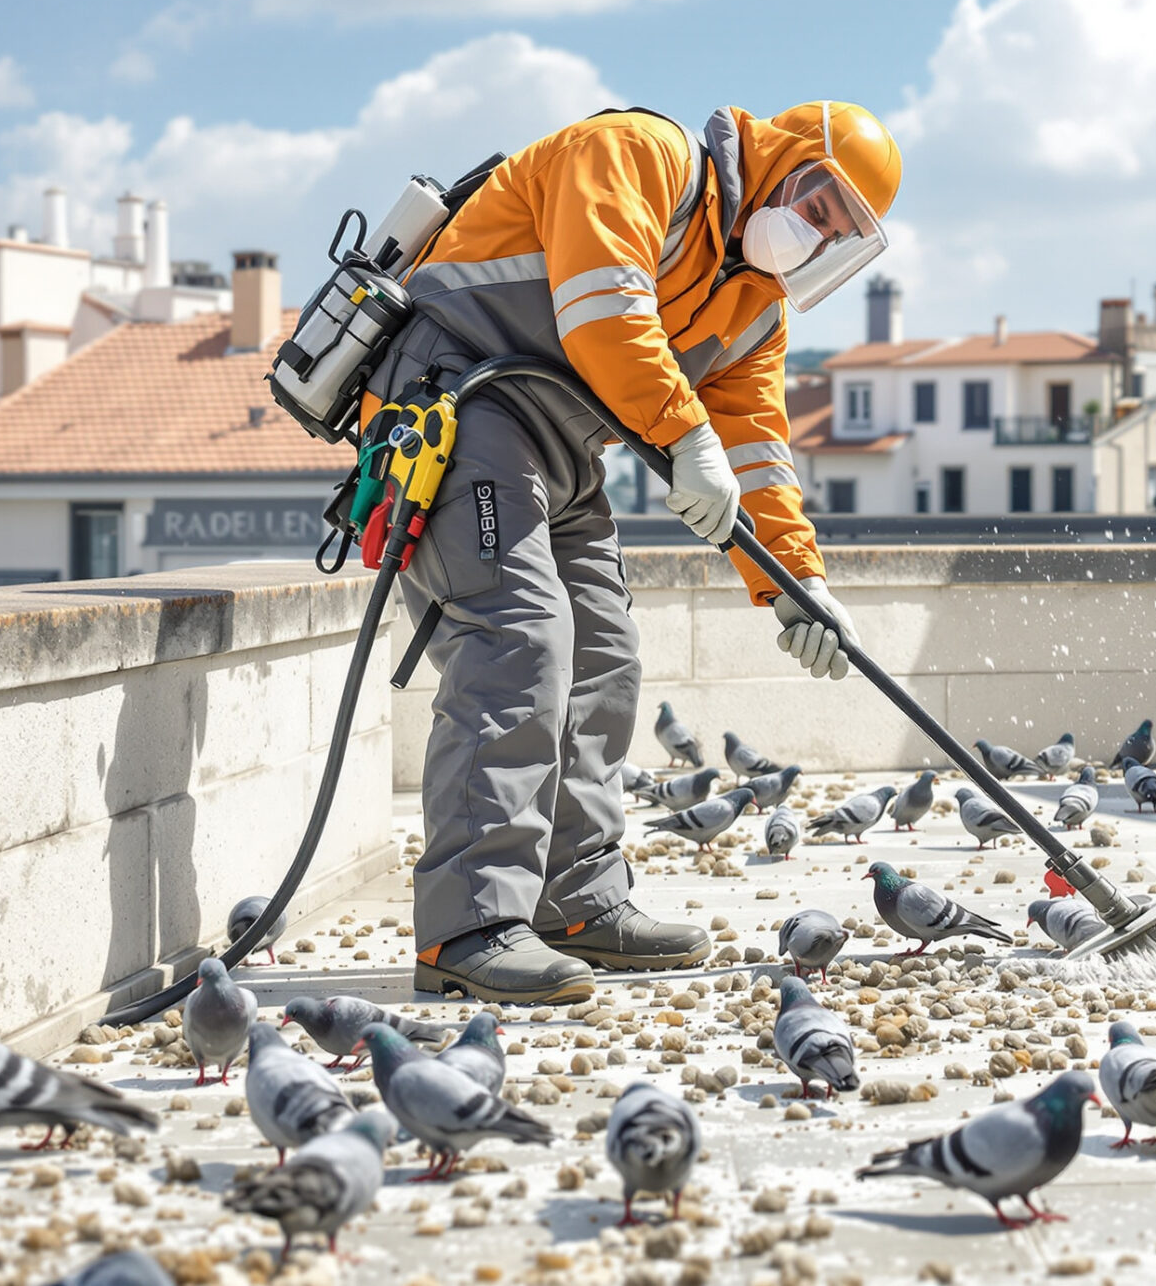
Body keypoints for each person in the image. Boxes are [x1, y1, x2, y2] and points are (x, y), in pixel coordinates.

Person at [370, 102, 898, 1002]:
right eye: (816, 207)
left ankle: (575, 903)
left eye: (835, 236)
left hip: (560, 439)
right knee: (518, 634)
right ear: (782, 160)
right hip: (459, 394)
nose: (812, 238)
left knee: (604, 651)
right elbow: (602, 306)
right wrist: (684, 433)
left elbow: (758, 451)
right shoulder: (640, 155)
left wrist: (797, 586)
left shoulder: (754, 310)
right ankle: (467, 925)